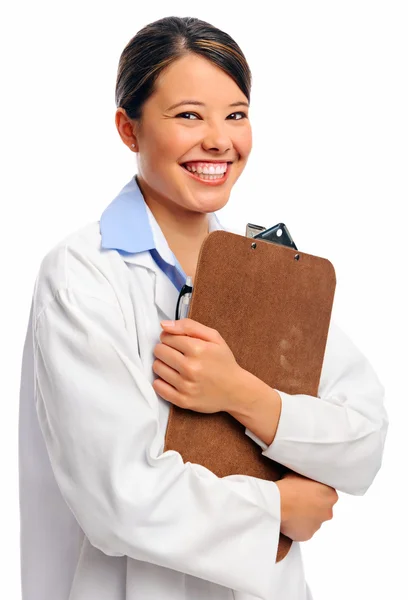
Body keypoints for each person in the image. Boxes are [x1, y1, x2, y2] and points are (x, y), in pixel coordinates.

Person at [18, 16, 388, 600]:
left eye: (236, 114)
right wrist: (279, 507)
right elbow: (119, 497)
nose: (220, 139)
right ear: (128, 128)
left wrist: (243, 394)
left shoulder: (266, 270)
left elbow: (364, 438)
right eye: (189, 114)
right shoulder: (83, 274)